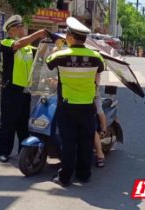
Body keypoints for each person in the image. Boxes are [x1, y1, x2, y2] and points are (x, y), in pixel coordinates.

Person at [46, 17, 105, 186]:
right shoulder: (96, 57)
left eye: (67, 36)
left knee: (68, 142)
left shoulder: (60, 55)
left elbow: (48, 63)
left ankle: (65, 177)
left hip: (67, 106)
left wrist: (57, 46)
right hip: (87, 106)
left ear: (70, 38)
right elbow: (99, 70)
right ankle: (84, 174)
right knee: (86, 142)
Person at [0, 15, 47, 163]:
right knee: (8, 122)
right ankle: (3, 151)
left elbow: (40, 53)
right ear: (11, 31)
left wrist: (50, 42)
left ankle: (23, 150)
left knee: (23, 123)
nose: (23, 29)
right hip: (11, 90)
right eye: (19, 28)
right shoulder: (6, 43)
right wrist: (37, 34)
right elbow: (17, 45)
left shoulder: (28, 48)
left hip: (25, 91)